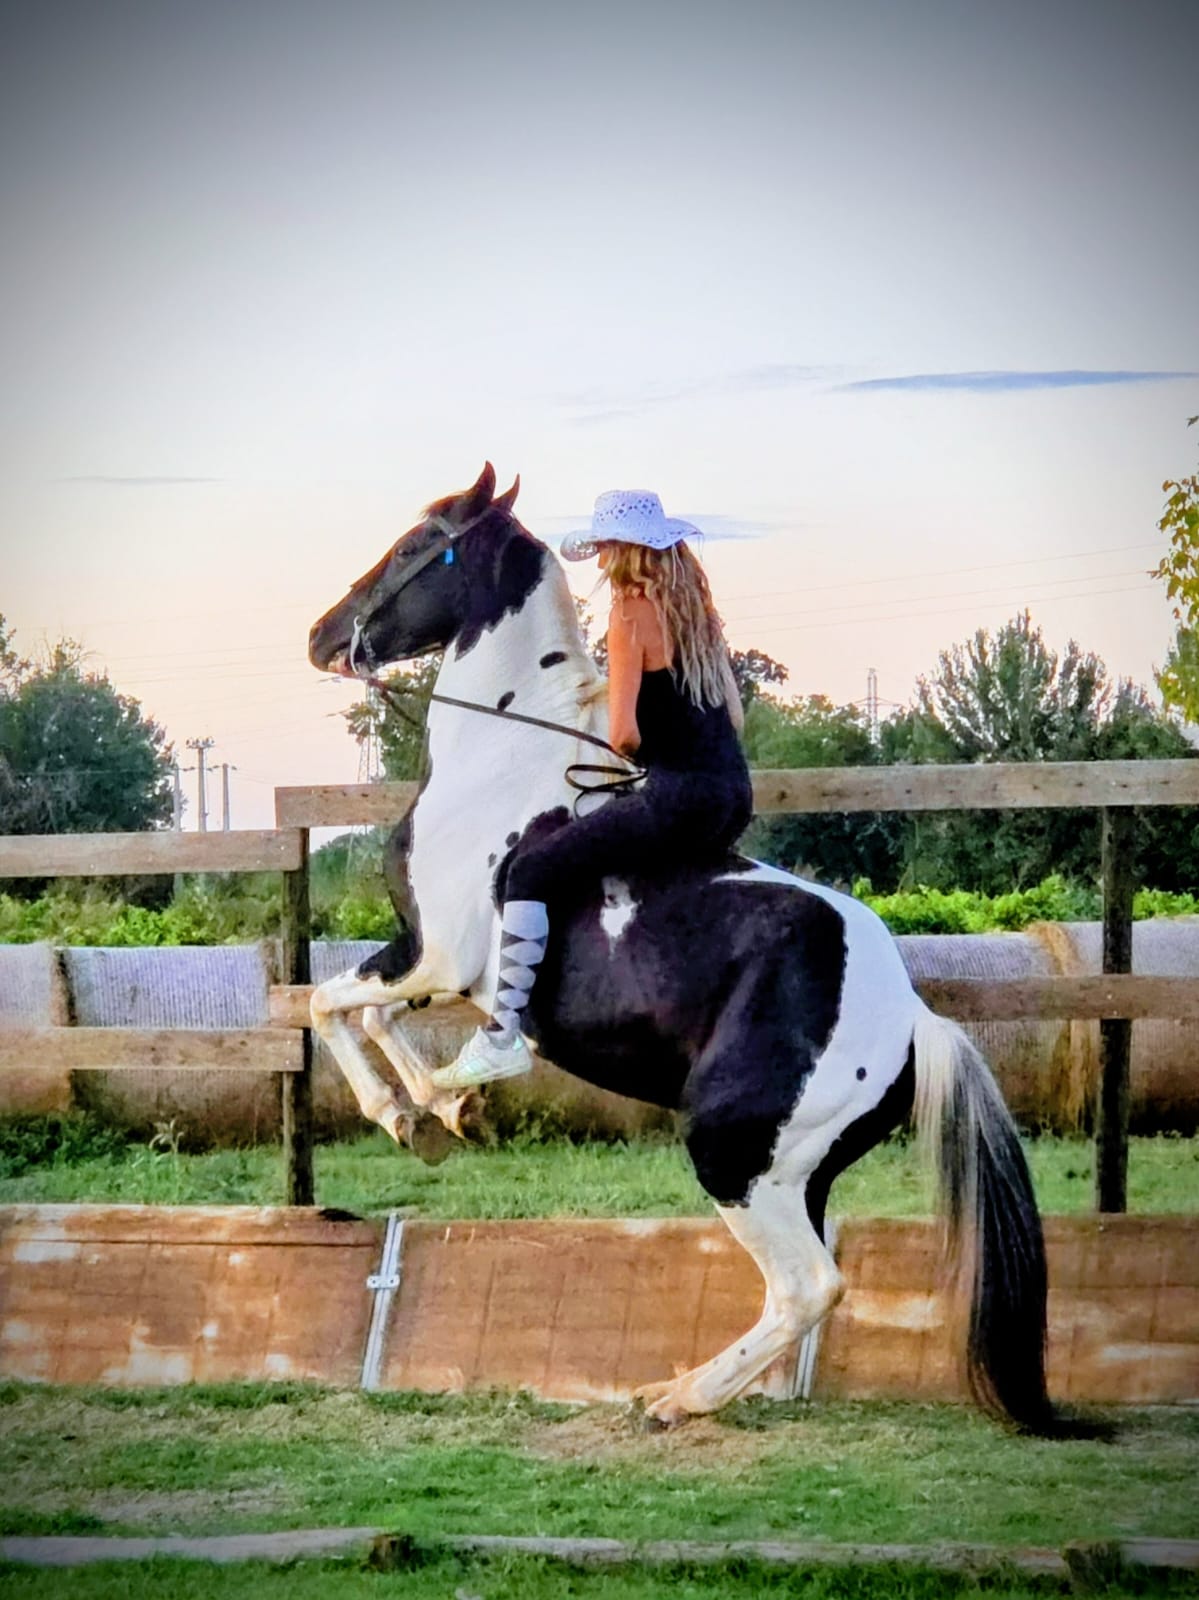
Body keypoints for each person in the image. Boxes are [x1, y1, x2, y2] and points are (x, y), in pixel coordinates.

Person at [432, 489, 753, 1091]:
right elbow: (731, 717)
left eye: (607, 545)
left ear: (623, 551)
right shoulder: (701, 619)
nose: (602, 557)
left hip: (679, 799)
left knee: (531, 870)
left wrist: (635, 755)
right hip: (732, 796)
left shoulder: (630, 613)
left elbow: (625, 733)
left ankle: (501, 1037)